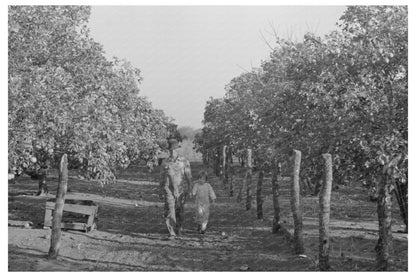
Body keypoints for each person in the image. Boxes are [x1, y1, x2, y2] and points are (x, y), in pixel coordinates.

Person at [159, 138, 192, 239]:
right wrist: (160, 190)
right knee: (170, 209)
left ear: (178, 149)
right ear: (168, 151)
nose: (172, 151)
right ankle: (172, 233)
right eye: (170, 150)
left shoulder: (184, 161)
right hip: (168, 189)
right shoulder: (165, 162)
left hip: (181, 189)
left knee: (179, 210)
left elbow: (188, 176)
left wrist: (190, 188)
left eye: (174, 149)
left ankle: (179, 228)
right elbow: (161, 178)